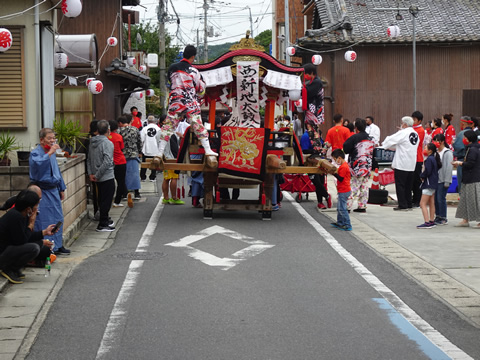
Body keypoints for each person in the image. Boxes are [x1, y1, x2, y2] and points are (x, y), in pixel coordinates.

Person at [154, 45, 217, 165]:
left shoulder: (172, 68)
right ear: (193, 57)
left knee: (168, 127)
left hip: (176, 102)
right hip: (190, 103)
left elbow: (169, 82)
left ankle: (159, 153)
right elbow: (201, 88)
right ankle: (208, 151)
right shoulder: (194, 71)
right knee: (198, 126)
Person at [0, 190, 57, 284]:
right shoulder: (15, 217)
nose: (37, 207)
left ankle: (14, 269)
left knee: (43, 249)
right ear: (29, 208)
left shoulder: (22, 215)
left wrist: (44, 232)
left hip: (9, 248)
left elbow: (26, 236)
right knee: (34, 248)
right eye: (36, 205)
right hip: (3, 252)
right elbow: (21, 241)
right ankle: (7, 268)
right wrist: (31, 223)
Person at [29, 128, 70, 255]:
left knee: (58, 217)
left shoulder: (50, 153)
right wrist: (50, 153)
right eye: (49, 138)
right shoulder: (36, 153)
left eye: (53, 138)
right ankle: (46, 247)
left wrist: (61, 188)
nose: (52, 141)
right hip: (42, 190)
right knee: (43, 219)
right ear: (41, 140)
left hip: (54, 189)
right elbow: (38, 164)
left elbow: (56, 171)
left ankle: (58, 245)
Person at [382, 116, 419, 211]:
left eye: (402, 123)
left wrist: (384, 145)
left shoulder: (403, 132)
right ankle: (408, 203)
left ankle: (402, 204)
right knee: (408, 186)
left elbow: (390, 140)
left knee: (400, 185)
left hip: (402, 163)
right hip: (411, 163)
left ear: (405, 124)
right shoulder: (415, 133)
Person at [87, 120, 116, 232]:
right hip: (106, 175)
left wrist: (91, 174)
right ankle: (103, 223)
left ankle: (104, 219)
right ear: (108, 130)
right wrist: (98, 175)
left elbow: (89, 159)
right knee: (106, 200)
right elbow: (107, 161)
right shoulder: (107, 143)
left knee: (101, 199)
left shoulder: (92, 142)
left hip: (95, 175)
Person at [343, 119, 374, 213]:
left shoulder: (354, 137)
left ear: (356, 128)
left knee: (353, 186)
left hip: (356, 166)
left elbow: (346, 149)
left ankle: (348, 206)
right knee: (364, 186)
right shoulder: (370, 138)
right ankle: (362, 206)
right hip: (367, 165)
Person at [453, 130, 480, 228]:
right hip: (468, 177)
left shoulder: (473, 149)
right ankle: (465, 219)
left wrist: (459, 163)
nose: (464, 139)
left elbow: (470, 164)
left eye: (465, 138)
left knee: (475, 200)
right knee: (465, 199)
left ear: (469, 139)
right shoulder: (472, 148)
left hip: (472, 178)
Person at [417, 143, 442, 229]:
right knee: (431, 202)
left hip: (428, 183)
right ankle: (431, 220)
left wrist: (421, 176)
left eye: (425, 148)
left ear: (430, 150)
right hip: (433, 183)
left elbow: (428, 171)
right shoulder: (434, 159)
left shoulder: (429, 160)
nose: (424, 150)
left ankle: (427, 222)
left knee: (422, 203)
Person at [118, 114, 142, 200]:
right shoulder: (135, 129)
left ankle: (125, 193)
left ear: (120, 123)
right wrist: (139, 151)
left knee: (124, 175)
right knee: (135, 174)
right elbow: (139, 141)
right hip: (134, 154)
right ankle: (137, 193)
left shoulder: (119, 131)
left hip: (123, 155)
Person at [433, 134, 453, 225]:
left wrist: (447, 181)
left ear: (442, 141)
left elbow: (449, 167)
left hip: (443, 179)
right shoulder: (436, 152)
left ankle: (443, 217)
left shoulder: (447, 153)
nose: (435, 143)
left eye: (437, 141)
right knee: (436, 199)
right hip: (436, 179)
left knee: (441, 198)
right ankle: (438, 215)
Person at [330, 149, 351, 231]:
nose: (335, 161)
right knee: (339, 207)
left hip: (344, 189)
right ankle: (340, 222)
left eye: (335, 159)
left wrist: (334, 173)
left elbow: (341, 178)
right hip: (342, 189)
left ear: (339, 158)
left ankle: (347, 224)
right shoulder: (343, 166)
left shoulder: (343, 167)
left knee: (342, 208)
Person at [108, 119, 128, 207]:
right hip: (120, 161)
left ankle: (108, 200)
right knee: (121, 182)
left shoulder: (105, 137)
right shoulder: (119, 136)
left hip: (109, 162)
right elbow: (122, 147)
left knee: (109, 183)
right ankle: (117, 201)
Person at [161, 135, 185, 205]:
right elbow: (174, 148)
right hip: (172, 158)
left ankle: (166, 198)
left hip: (164, 157)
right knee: (174, 178)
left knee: (166, 178)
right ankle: (174, 197)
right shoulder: (171, 134)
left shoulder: (161, 132)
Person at [452, 116, 474, 191]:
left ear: (462, 124)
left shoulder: (462, 134)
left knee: (462, 186)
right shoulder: (474, 133)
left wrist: (453, 144)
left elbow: (458, 148)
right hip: (474, 162)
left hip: (462, 161)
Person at [140, 115, 161, 182]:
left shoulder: (144, 129)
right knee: (154, 163)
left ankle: (143, 177)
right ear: (155, 121)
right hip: (155, 149)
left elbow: (142, 139)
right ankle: (152, 177)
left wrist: (141, 149)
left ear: (148, 121)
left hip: (146, 148)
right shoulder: (158, 129)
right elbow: (159, 140)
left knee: (144, 163)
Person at [411, 111, 425, 208]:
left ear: (419, 121)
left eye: (414, 119)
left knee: (416, 180)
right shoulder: (412, 129)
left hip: (417, 158)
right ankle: (414, 198)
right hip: (411, 157)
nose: (413, 121)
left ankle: (417, 199)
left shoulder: (420, 130)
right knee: (411, 180)